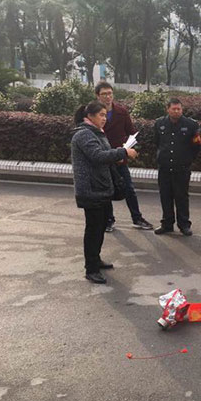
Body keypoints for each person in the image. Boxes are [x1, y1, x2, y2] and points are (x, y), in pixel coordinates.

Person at [71, 101, 138, 284]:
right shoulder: (84, 134)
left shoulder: (97, 132)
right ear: (90, 116)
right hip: (91, 190)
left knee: (100, 228)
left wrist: (118, 156)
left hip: (101, 188)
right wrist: (123, 152)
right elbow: (98, 156)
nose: (104, 118)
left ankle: (96, 259)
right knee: (93, 229)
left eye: (105, 115)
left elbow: (104, 155)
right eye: (101, 115)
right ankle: (91, 269)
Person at [94, 81, 153, 232]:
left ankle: (137, 218)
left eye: (110, 93)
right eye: (104, 94)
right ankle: (108, 220)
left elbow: (132, 133)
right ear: (97, 96)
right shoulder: (93, 113)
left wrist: (126, 150)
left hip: (120, 158)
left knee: (129, 189)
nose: (108, 97)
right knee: (106, 192)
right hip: (103, 158)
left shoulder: (121, 112)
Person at [153, 98, 201, 236]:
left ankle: (184, 224)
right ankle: (167, 224)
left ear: (182, 109)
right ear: (167, 109)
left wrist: (188, 159)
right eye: (173, 109)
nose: (176, 111)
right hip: (165, 167)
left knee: (182, 197)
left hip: (182, 168)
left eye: (178, 109)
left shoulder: (191, 125)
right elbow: (157, 142)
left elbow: (197, 145)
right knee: (165, 196)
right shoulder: (159, 123)